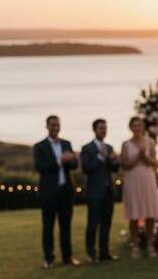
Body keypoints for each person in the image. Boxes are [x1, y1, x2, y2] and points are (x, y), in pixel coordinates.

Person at [32, 115, 79, 269]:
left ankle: (67, 258)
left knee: (66, 226)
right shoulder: (39, 146)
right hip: (48, 193)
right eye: (52, 125)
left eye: (57, 125)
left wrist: (71, 159)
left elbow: (74, 166)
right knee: (48, 227)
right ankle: (49, 259)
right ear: (47, 126)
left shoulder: (66, 143)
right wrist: (60, 160)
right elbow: (40, 167)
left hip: (66, 192)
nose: (55, 128)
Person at [120, 116, 158, 258]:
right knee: (134, 214)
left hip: (147, 179)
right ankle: (135, 246)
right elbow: (125, 165)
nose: (137, 128)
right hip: (132, 180)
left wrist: (145, 156)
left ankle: (150, 245)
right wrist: (138, 156)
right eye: (134, 125)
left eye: (139, 125)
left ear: (142, 127)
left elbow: (155, 163)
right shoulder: (126, 144)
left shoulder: (150, 142)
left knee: (150, 213)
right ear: (131, 127)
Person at [81, 118, 121, 263]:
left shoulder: (109, 147)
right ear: (94, 130)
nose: (103, 131)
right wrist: (99, 156)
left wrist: (115, 160)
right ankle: (91, 253)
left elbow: (115, 169)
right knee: (93, 223)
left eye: (105, 128)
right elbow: (86, 169)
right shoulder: (87, 148)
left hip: (108, 191)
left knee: (106, 223)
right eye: (100, 128)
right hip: (94, 192)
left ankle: (105, 252)